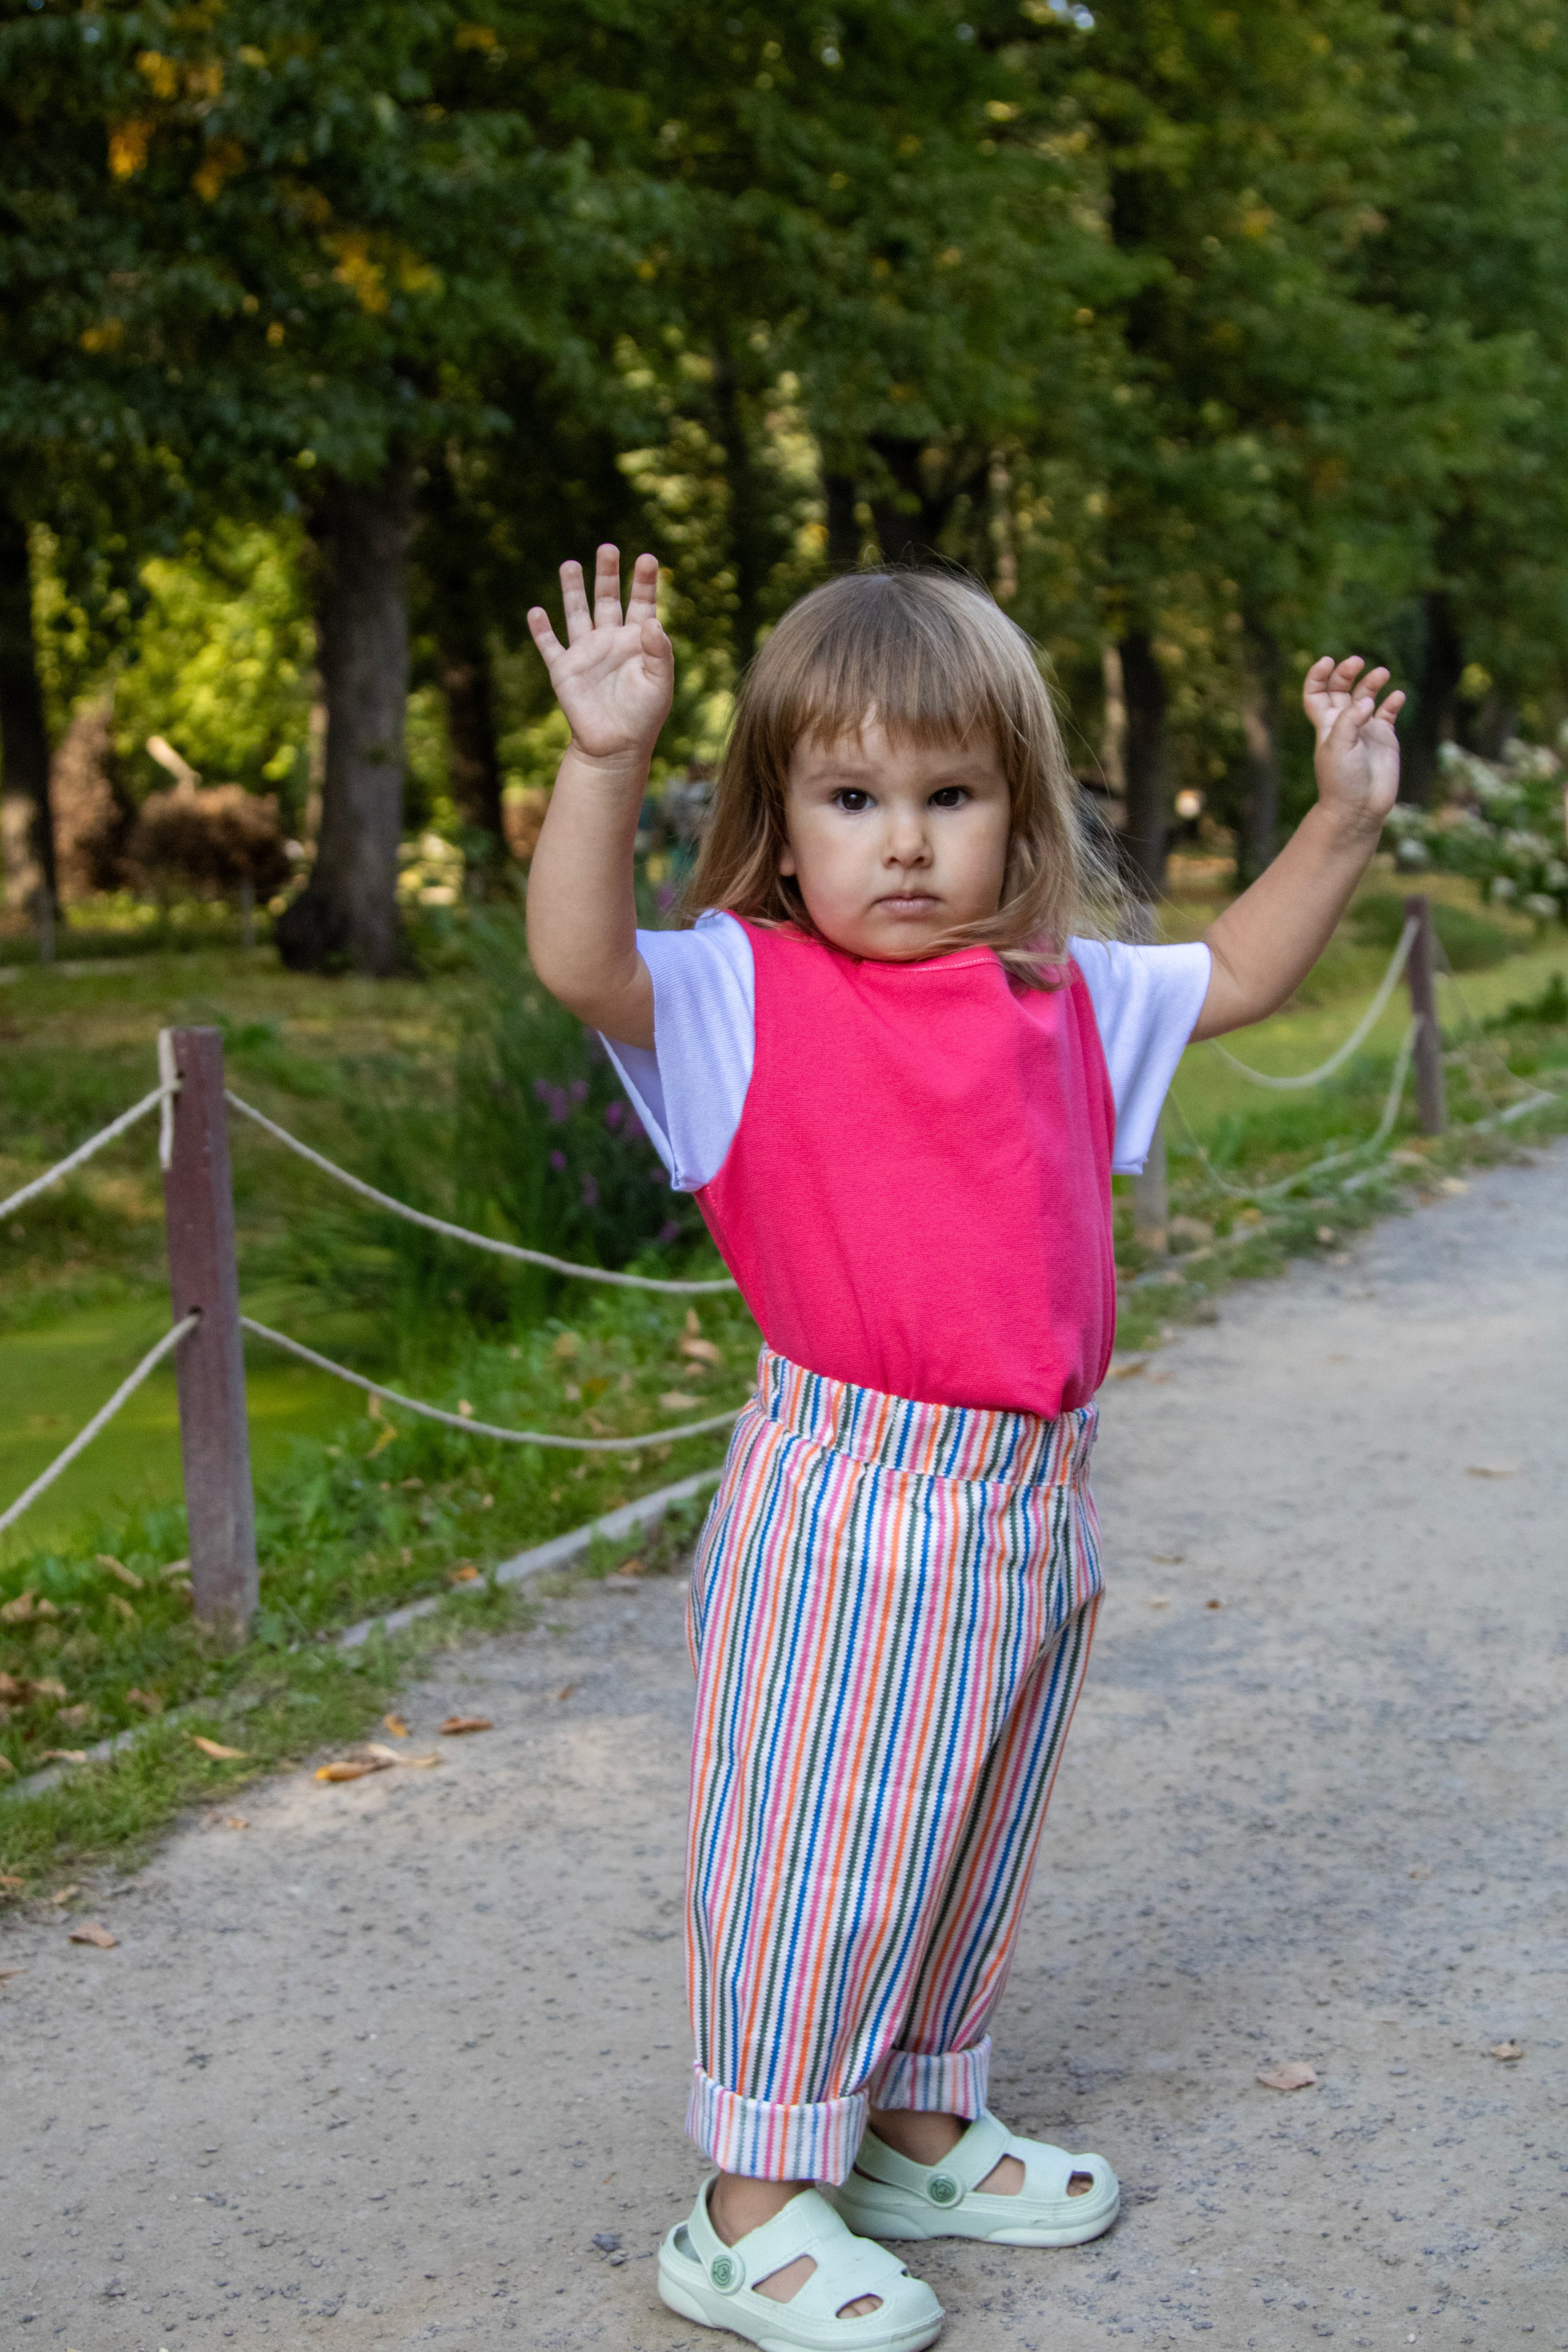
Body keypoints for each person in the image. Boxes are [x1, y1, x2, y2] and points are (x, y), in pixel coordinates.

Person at [525, 548, 1403, 2352]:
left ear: (1024, 809)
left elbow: (1236, 971)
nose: (906, 843)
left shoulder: (1062, 996)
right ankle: (750, 2205)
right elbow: (578, 958)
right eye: (853, 800)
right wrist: (607, 756)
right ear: (780, 822)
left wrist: (1343, 822)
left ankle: (916, 2123)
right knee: (821, 1849)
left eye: (950, 796)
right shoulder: (744, 993)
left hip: (1029, 1501)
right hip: (851, 1507)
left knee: (968, 1830)